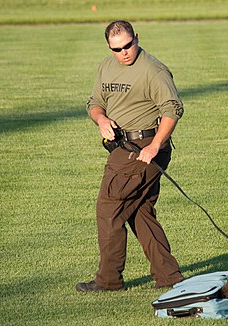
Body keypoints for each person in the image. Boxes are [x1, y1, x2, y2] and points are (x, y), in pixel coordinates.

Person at [76, 20, 185, 292]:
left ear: (136, 38)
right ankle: (169, 276)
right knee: (140, 212)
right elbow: (94, 103)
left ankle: (108, 280)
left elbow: (173, 109)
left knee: (109, 209)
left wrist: (155, 145)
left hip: (145, 147)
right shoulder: (107, 66)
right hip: (123, 146)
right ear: (109, 47)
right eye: (117, 48)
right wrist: (100, 119)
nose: (124, 52)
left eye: (128, 45)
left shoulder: (153, 70)